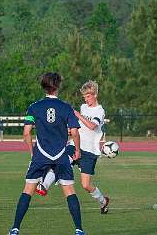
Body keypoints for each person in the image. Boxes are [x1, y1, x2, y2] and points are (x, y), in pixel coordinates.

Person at [7, 72, 85, 235]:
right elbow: (75, 133)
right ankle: (79, 230)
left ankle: (15, 228)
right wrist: (77, 150)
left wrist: (32, 153)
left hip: (40, 155)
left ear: (43, 86)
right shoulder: (66, 108)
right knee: (69, 191)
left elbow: (26, 133)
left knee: (28, 189)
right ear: (58, 86)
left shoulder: (33, 107)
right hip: (61, 155)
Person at [35, 80, 110, 214]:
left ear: (95, 95)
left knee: (86, 185)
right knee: (61, 161)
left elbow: (92, 126)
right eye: (84, 97)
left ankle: (103, 201)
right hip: (76, 144)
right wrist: (69, 131)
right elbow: (79, 127)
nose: (86, 100)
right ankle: (44, 185)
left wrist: (77, 114)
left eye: (88, 96)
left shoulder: (100, 111)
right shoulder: (83, 107)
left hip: (90, 150)